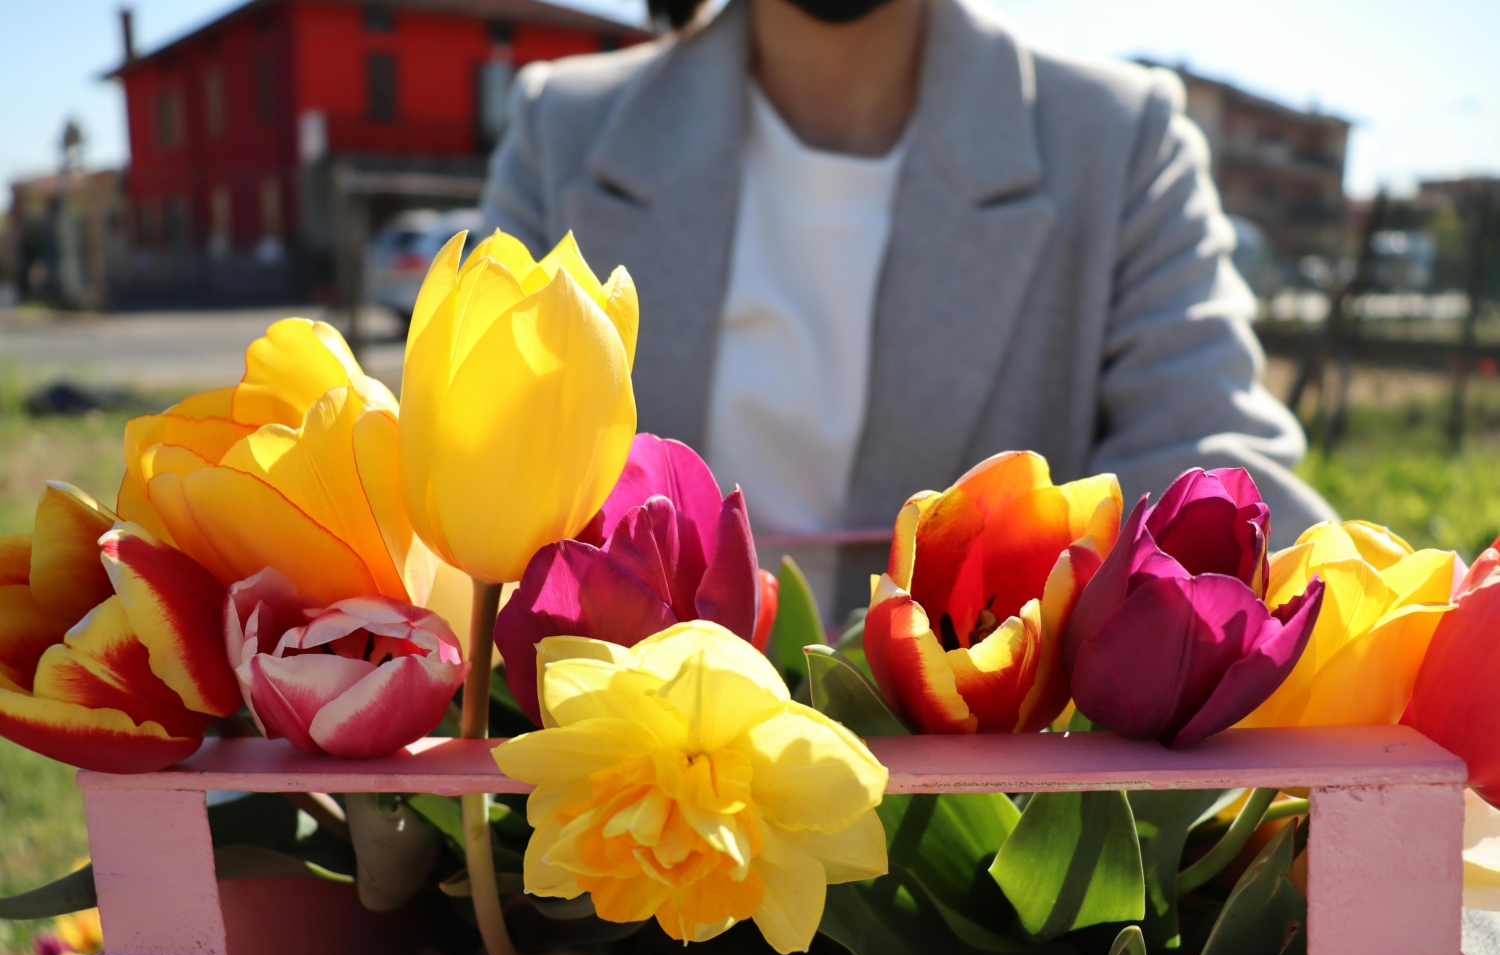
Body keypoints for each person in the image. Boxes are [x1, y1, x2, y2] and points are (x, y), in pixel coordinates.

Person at [479, 0, 1336, 616]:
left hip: (988, 795)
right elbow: (467, 450)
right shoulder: (565, 132)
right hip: (615, 780)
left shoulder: (1118, 143)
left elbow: (1211, 486)